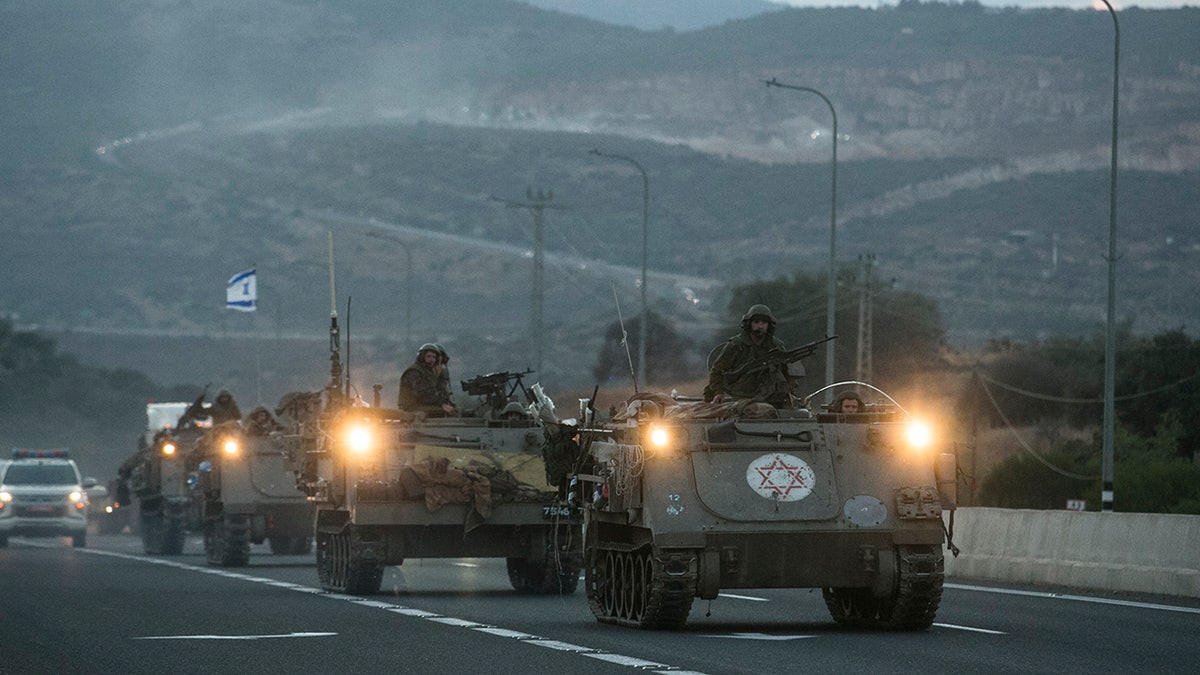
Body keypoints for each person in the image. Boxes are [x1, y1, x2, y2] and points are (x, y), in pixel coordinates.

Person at [703, 304, 794, 406]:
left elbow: (788, 373)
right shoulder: (736, 345)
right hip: (739, 396)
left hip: (769, 397)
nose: (760, 326)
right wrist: (718, 392)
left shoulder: (776, 346)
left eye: (764, 322)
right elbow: (717, 370)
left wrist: (790, 391)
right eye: (756, 322)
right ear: (749, 323)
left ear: (769, 325)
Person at [398, 343, 459, 416]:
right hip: (410, 408)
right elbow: (423, 393)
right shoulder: (414, 372)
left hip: (422, 405)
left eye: (434, 357)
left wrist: (448, 403)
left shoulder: (428, 372)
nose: (432, 360)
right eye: (429, 356)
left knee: (455, 410)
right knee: (444, 412)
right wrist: (442, 404)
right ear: (421, 357)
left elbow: (435, 392)